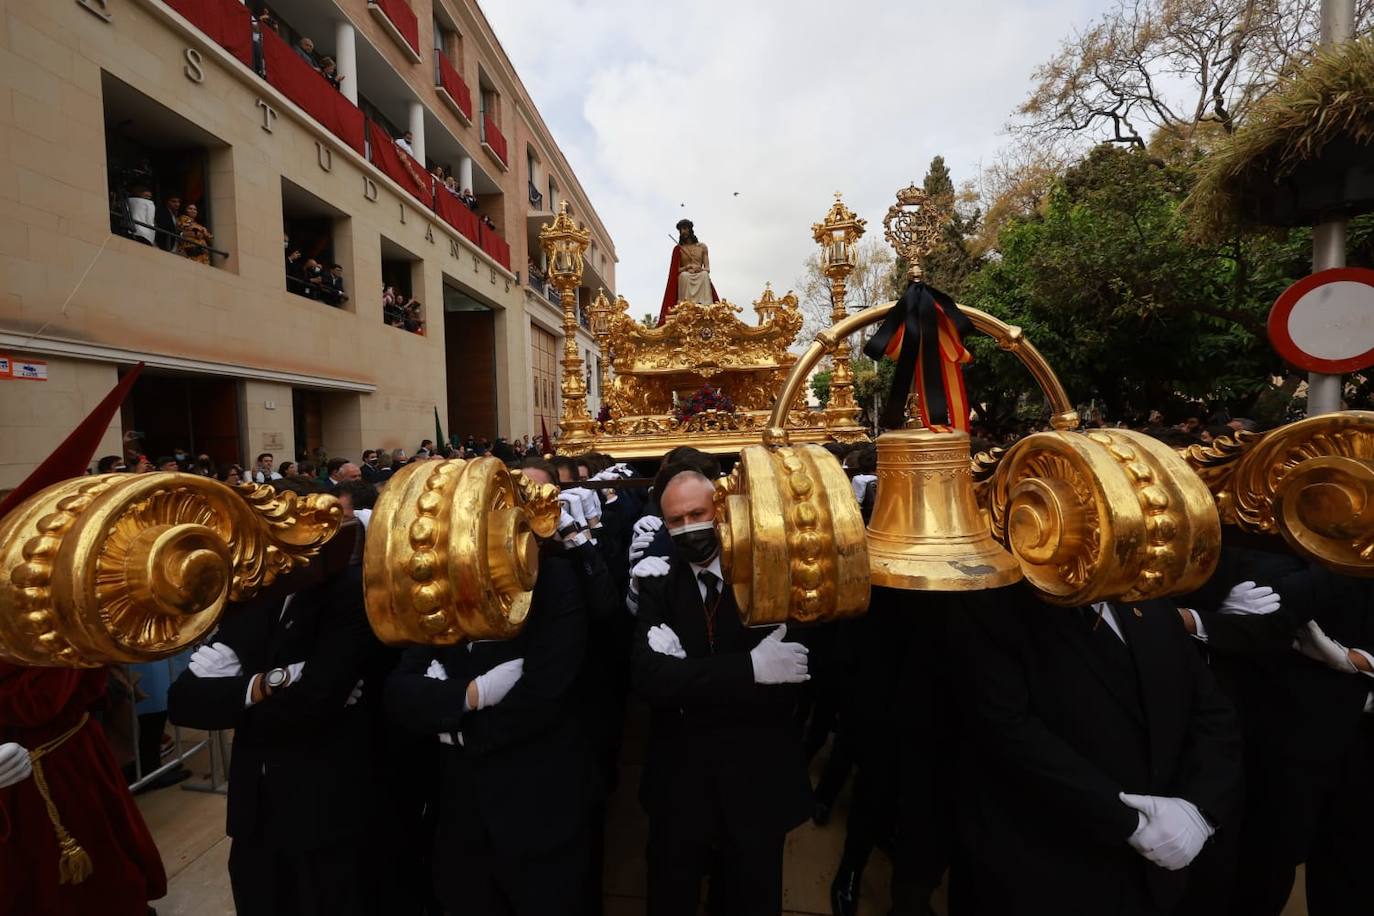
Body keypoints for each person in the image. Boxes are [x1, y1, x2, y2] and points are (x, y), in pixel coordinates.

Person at [385, 458, 600, 914]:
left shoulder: (553, 581)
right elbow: (401, 691)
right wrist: (473, 695)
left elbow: (544, 693)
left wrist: (453, 724)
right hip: (461, 815)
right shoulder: (437, 587)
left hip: (540, 804)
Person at [946, 586, 1243, 916]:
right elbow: (1006, 730)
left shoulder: (1144, 593)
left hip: (1152, 874)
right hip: (1041, 874)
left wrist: (1199, 811)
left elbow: (1212, 711)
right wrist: (1131, 822)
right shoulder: (990, 599)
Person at [168, 523, 388, 916]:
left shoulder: (352, 595)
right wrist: (269, 682)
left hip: (325, 810)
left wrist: (239, 697)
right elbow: (183, 702)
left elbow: (313, 704)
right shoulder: (252, 599)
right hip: (254, 811)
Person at [631, 469, 812, 915]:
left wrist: (689, 675)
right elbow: (649, 680)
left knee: (750, 897)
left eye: (698, 513)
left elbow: (790, 679)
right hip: (680, 783)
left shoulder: (769, 572)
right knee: (671, 896)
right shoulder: (659, 580)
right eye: (676, 520)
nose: (689, 527)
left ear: (721, 511)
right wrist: (749, 668)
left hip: (755, 778)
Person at [0, 662, 168, 915]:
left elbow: (37, 702)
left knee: (95, 876)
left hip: (62, 767)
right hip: (31, 770)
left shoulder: (55, 629)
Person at [658, 219, 717, 323]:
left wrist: (700, 269)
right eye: (681, 230)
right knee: (684, 276)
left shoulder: (702, 247)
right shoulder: (679, 249)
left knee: (704, 275)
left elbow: (707, 269)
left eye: (685, 229)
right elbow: (676, 270)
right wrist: (687, 267)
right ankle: (685, 305)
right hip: (686, 274)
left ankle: (705, 305)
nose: (683, 232)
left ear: (690, 229)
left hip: (700, 273)